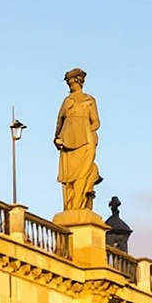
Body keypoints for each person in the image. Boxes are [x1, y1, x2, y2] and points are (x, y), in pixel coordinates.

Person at [54, 69, 99, 216]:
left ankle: (79, 206)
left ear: (78, 81)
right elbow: (59, 122)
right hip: (67, 143)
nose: (70, 85)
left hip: (86, 142)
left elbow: (96, 122)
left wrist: (86, 131)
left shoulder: (89, 100)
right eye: (68, 82)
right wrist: (57, 138)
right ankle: (70, 208)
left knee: (82, 175)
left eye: (72, 82)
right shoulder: (67, 102)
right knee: (68, 179)